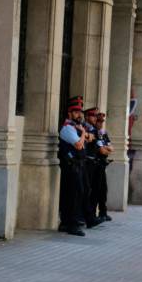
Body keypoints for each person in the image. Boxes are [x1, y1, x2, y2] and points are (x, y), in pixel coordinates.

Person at [58, 96, 89, 236]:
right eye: (76, 112)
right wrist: (83, 133)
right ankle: (72, 224)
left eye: (80, 112)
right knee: (73, 195)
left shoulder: (74, 127)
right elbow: (78, 145)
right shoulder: (68, 128)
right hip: (71, 167)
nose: (79, 114)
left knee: (77, 194)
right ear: (69, 113)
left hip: (77, 166)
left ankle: (67, 223)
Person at [83, 107, 105, 228]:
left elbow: (105, 148)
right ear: (87, 116)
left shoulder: (96, 131)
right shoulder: (85, 128)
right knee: (86, 191)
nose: (96, 119)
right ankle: (87, 217)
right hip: (87, 163)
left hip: (94, 163)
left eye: (98, 117)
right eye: (93, 116)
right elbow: (101, 149)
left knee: (94, 191)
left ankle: (91, 216)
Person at [93, 112, 114, 221]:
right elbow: (102, 150)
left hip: (102, 164)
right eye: (98, 121)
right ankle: (92, 214)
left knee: (103, 190)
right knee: (95, 190)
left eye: (102, 122)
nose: (100, 124)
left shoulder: (103, 133)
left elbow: (111, 148)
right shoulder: (94, 133)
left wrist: (106, 149)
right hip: (94, 164)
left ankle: (103, 212)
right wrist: (106, 149)